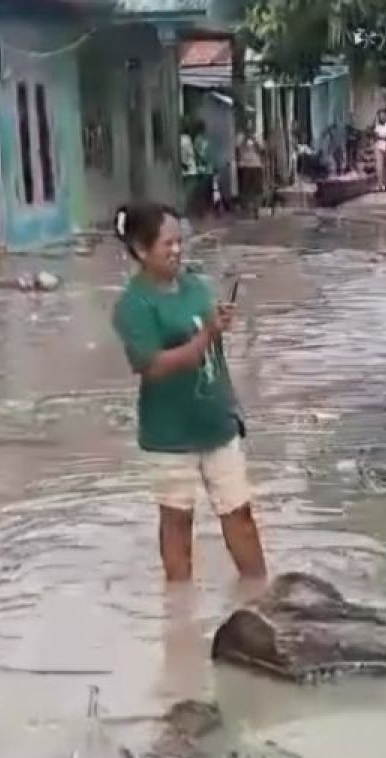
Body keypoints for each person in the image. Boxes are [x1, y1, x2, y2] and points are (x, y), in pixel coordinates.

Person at [111, 202, 267, 582]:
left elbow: (209, 332)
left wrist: (219, 323)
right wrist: (206, 335)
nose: (178, 251)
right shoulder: (133, 306)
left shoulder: (195, 285)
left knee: (240, 515)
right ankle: (178, 618)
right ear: (141, 249)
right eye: (168, 244)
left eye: (180, 241)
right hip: (169, 434)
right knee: (177, 524)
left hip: (217, 421)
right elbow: (153, 365)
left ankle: (260, 594)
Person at [236, 124, 265, 219]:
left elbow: (261, 149)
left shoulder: (257, 137)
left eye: (250, 129)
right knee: (246, 189)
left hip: (256, 166)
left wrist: (254, 140)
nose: (249, 131)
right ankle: (247, 209)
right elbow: (237, 148)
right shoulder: (240, 137)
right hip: (245, 166)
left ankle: (256, 209)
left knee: (257, 189)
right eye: (247, 129)